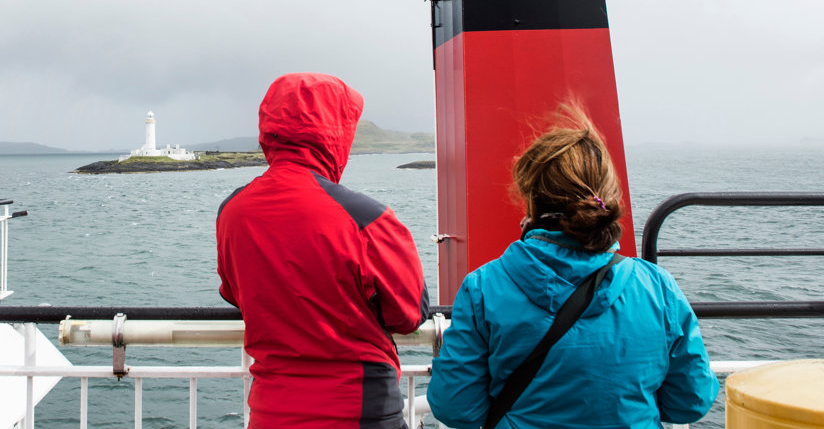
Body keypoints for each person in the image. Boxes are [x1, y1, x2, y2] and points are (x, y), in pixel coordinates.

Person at [427, 111, 719, 428]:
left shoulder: (483, 287)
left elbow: (456, 408)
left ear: (530, 202)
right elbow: (689, 402)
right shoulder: (657, 287)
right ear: (605, 197)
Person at [216, 72, 429, 429]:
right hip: (359, 409)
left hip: (272, 410)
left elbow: (234, 292)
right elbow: (408, 314)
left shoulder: (232, 211)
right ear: (337, 133)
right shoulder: (366, 218)